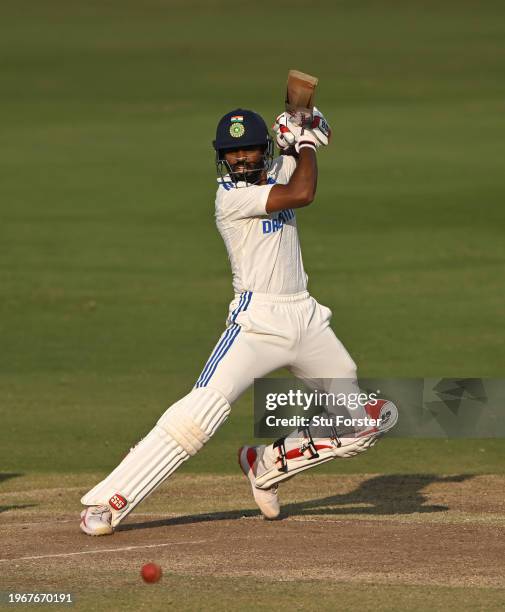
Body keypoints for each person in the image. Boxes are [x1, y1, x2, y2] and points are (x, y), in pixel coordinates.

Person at [79, 107, 397, 535]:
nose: (242, 158)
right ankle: (109, 501)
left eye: (248, 149)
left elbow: (298, 155)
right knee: (200, 414)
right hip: (256, 323)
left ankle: (264, 464)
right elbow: (304, 192)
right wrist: (303, 142)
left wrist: (303, 126)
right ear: (221, 157)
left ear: (262, 149)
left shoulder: (277, 168)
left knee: (361, 425)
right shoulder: (230, 198)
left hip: (306, 317)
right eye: (232, 152)